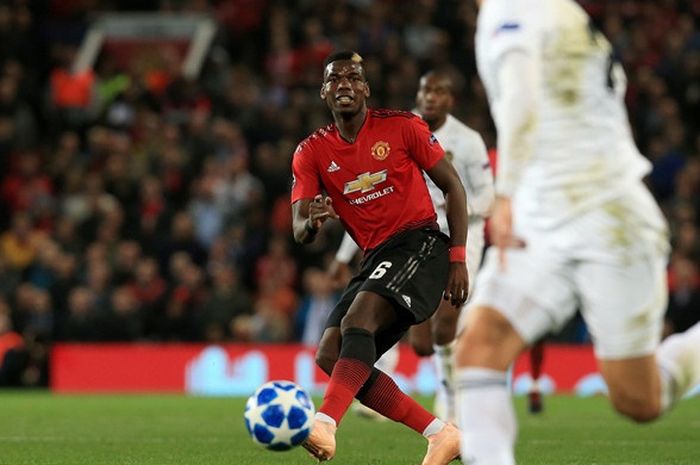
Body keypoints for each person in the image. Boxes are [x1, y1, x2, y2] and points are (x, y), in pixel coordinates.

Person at [455, 1, 700, 464]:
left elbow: (520, 95)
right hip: (543, 215)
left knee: (639, 400)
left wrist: (503, 194)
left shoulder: (515, 9)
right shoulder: (554, 11)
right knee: (479, 347)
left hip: (604, 216)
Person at [291, 51, 469, 464]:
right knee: (330, 355)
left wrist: (458, 257)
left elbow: (453, 187)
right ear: (324, 92)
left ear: (365, 88)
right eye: (335, 79)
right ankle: (441, 434)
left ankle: (326, 424)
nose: (345, 84)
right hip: (375, 258)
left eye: (353, 77)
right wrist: (313, 223)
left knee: (357, 322)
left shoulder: (402, 127)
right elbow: (298, 227)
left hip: (420, 244)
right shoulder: (311, 152)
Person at [328, 70, 495, 422]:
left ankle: (451, 402)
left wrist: (456, 215)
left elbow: (487, 196)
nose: (431, 97)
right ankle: (381, 392)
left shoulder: (467, 140)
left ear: (451, 99)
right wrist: (344, 255)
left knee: (444, 326)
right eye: (425, 90)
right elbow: (368, 198)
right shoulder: (397, 130)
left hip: (462, 234)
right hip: (409, 236)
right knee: (419, 342)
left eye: (439, 91)